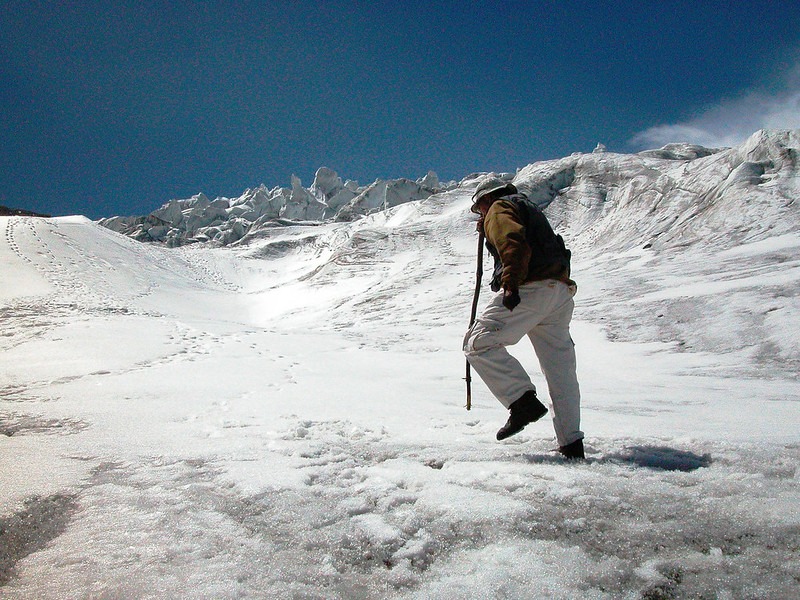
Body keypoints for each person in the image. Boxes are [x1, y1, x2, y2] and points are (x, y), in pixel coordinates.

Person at [463, 176, 585, 459]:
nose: (480, 215)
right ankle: (571, 442)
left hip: (530, 287)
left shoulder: (498, 208)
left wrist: (511, 283)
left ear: (484, 200)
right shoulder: (526, 207)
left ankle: (521, 402)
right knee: (560, 370)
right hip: (559, 290)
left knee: (477, 343)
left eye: (478, 209)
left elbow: (512, 242)